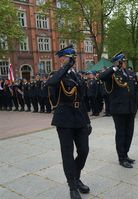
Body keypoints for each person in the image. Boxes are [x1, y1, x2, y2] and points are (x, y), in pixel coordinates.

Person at [46, 45, 92, 199]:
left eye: (73, 58)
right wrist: (65, 67)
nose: (72, 60)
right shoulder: (57, 74)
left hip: (79, 117)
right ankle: (72, 185)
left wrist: (87, 121)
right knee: (67, 154)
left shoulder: (77, 76)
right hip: (64, 119)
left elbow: (82, 100)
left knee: (84, 150)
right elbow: (51, 83)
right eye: (68, 58)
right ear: (61, 59)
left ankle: (76, 177)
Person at [100, 52, 138, 169]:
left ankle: (125, 154)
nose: (125, 63)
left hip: (131, 108)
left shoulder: (130, 73)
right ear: (118, 62)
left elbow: (134, 90)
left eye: (125, 61)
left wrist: (136, 106)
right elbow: (102, 77)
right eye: (123, 61)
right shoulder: (112, 73)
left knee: (129, 133)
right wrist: (114, 67)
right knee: (121, 134)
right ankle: (121, 158)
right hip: (119, 109)